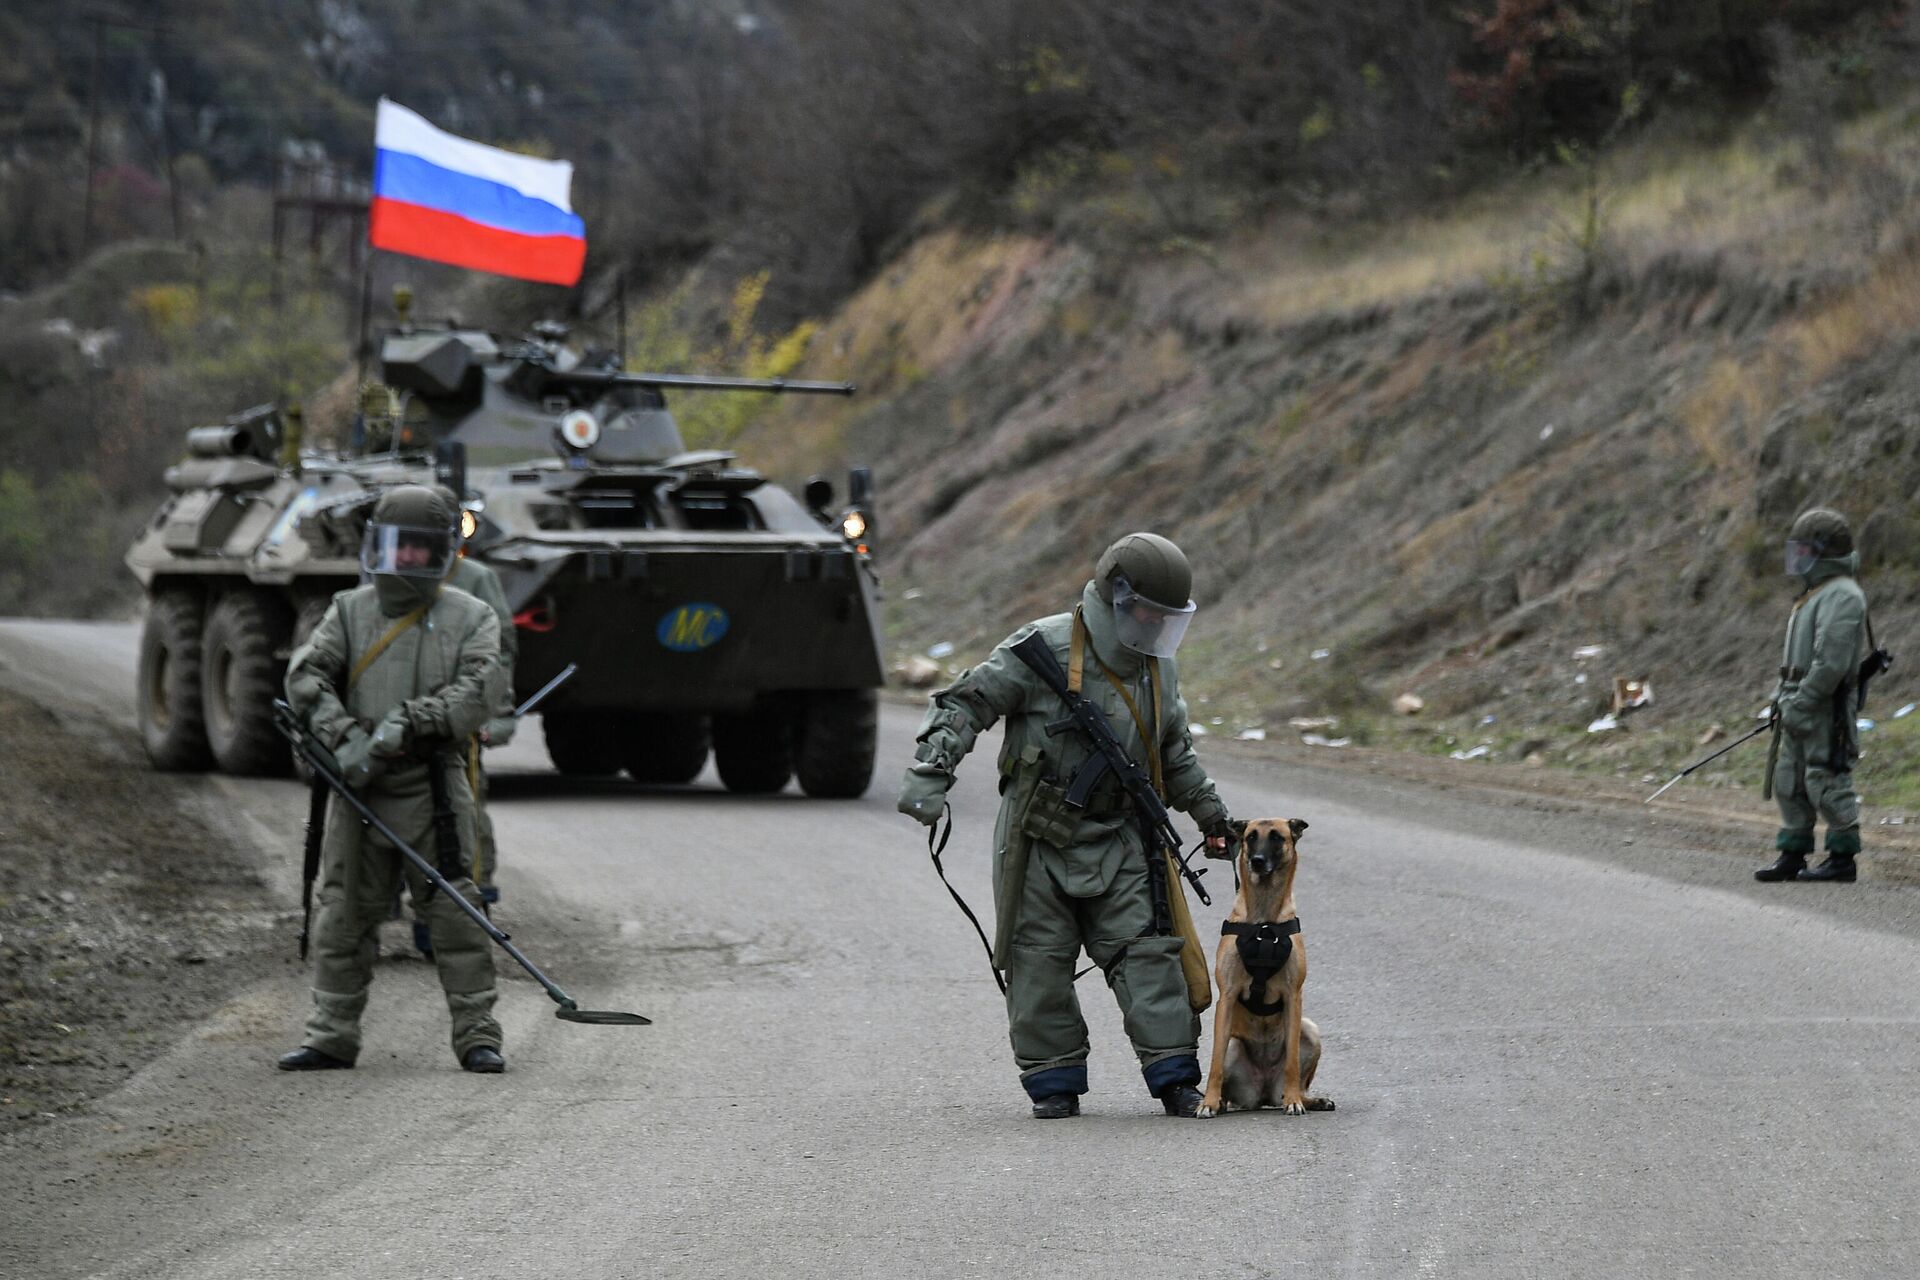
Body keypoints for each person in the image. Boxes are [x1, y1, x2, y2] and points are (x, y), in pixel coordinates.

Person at [897, 532, 1237, 1118]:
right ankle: (1054, 1083)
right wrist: (933, 769)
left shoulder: (1160, 670)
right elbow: (967, 702)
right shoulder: (1042, 648)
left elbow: (1173, 753)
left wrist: (1212, 816)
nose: (1155, 625)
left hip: (1123, 836)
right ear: (1116, 596)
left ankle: (1176, 1077)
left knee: (1149, 954)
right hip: (1037, 838)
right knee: (1037, 961)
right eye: (1146, 612)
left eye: (1165, 616)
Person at [278, 485, 509, 1073]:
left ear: (441, 553)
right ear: (375, 546)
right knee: (343, 914)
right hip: (359, 791)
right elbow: (306, 678)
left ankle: (478, 1035)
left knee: (458, 914)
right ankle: (331, 1034)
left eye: (417, 550)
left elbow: (481, 691)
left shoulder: (471, 616)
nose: (403, 561)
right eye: (393, 547)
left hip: (434, 789)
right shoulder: (349, 611)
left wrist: (411, 724)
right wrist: (344, 737)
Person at [1756, 508, 1870, 885]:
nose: (1798, 558)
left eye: (1805, 550)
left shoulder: (1844, 596)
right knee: (1790, 779)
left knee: (1826, 776)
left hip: (1825, 706)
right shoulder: (1814, 594)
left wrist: (1802, 700)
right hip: (1798, 702)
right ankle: (1793, 852)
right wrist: (1781, 699)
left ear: (1824, 552)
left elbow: (1830, 661)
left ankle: (1842, 857)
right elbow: (1796, 659)